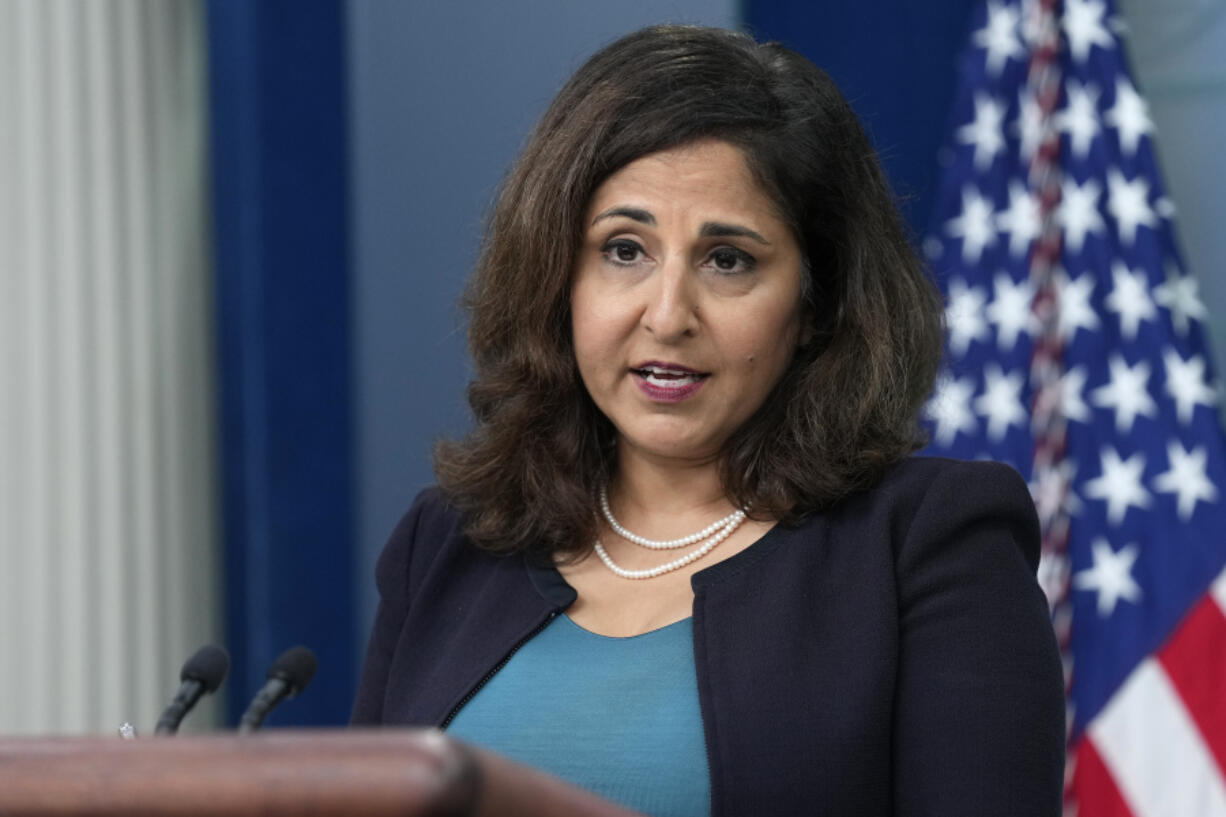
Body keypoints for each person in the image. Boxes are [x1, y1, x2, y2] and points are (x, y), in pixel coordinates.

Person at [352, 24, 1065, 817]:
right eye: (624, 250)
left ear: (816, 303)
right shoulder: (447, 545)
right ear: (558, 275)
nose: (667, 314)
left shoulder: (927, 543)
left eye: (728, 260)